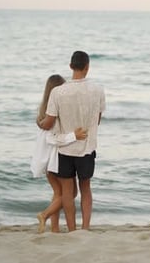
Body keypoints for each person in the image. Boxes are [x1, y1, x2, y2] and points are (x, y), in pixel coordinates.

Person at [40, 51, 105, 231]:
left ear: (70, 66)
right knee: (85, 188)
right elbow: (97, 120)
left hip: (65, 150)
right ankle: (85, 228)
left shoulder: (57, 92)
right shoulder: (98, 90)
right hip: (86, 148)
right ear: (87, 67)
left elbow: (49, 122)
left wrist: (40, 123)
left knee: (67, 192)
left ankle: (71, 229)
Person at [31, 74, 87, 233]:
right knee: (70, 193)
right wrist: (73, 136)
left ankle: (54, 228)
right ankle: (44, 215)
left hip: (49, 159)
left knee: (58, 193)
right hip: (54, 160)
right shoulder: (52, 112)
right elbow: (52, 139)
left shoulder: (44, 109)